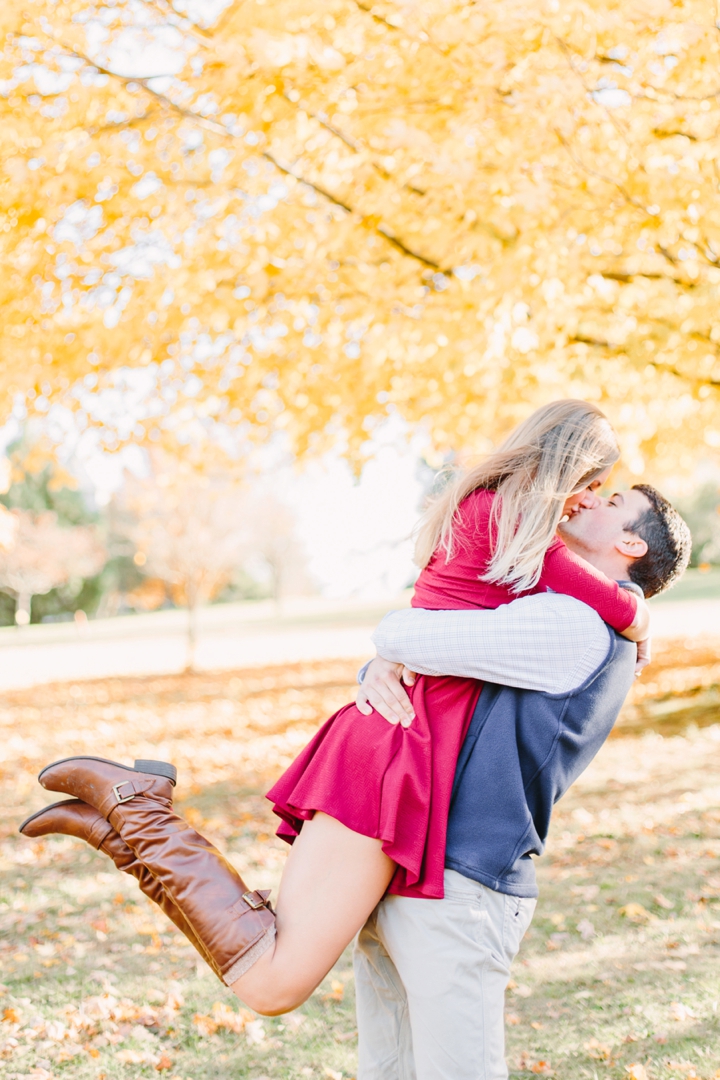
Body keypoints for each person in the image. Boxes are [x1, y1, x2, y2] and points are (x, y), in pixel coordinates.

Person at [21, 401, 651, 1016]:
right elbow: (621, 608)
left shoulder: (486, 511)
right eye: (592, 485)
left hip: (396, 731)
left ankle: (124, 830)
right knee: (274, 983)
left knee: (275, 958)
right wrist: (642, 625)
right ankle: (139, 811)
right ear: (565, 468)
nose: (590, 500)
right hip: (401, 746)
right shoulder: (518, 528)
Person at [352, 483, 691, 1079]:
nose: (584, 500)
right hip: (417, 864)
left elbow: (408, 636)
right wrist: (381, 666)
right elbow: (436, 658)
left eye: (610, 502)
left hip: (464, 886)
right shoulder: (566, 606)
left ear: (631, 542)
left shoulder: (576, 622)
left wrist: (388, 652)